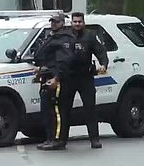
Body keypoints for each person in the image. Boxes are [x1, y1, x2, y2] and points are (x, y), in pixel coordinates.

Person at [59, 12, 109, 149]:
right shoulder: (65, 36)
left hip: (85, 77)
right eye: (75, 22)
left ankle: (94, 139)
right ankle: (62, 140)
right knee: (64, 110)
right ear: (71, 23)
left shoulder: (90, 36)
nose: (77, 24)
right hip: (68, 78)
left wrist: (103, 64)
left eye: (79, 22)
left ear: (83, 23)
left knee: (90, 109)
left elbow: (100, 51)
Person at [33, 13, 76, 150]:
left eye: (56, 22)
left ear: (63, 23)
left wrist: (57, 78)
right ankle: (50, 138)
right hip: (47, 76)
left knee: (57, 110)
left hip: (57, 77)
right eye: (52, 21)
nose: (53, 24)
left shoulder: (65, 39)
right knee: (47, 109)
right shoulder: (51, 37)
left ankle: (58, 139)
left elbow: (64, 61)